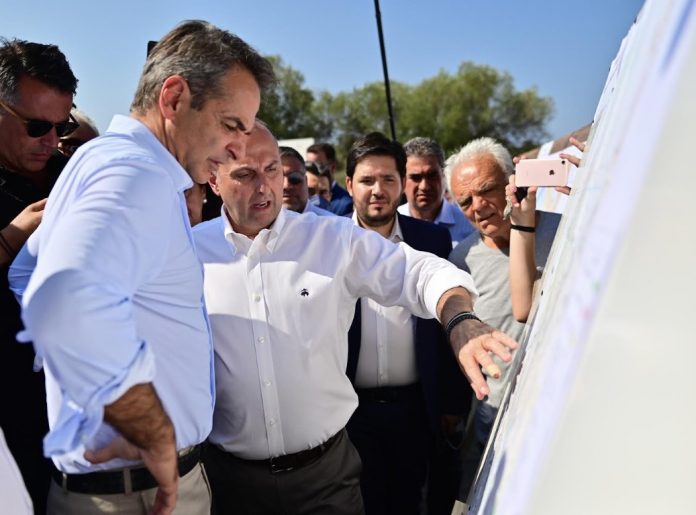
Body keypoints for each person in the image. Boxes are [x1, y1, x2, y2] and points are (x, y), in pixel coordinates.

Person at [12, 20, 274, 515]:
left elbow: (26, 275)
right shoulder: (135, 175)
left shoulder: (107, 161)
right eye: (231, 125)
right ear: (173, 98)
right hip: (135, 495)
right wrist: (145, 424)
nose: (240, 147)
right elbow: (63, 304)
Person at [194, 121, 517, 515]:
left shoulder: (332, 238)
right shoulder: (190, 254)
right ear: (213, 179)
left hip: (326, 481)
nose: (264, 186)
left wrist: (460, 319)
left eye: (273, 169)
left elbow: (420, 273)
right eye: (245, 174)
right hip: (231, 485)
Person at [344, 132, 471, 515]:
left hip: (416, 408)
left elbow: (442, 331)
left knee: (411, 502)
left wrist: (451, 402)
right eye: (367, 180)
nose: (377, 190)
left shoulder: (432, 240)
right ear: (349, 185)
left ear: (401, 184)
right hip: (351, 412)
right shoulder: (328, 242)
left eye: (388, 179)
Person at [445, 137, 560, 497]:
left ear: (511, 180)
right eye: (465, 201)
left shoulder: (566, 231)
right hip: (495, 419)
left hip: (562, 404)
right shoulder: (460, 262)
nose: (478, 207)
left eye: (486, 190)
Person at [0, 37, 77, 513]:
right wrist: (13, 237)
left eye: (61, 126)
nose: (51, 141)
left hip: (79, 421)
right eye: (36, 127)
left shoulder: (75, 175)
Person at [398, 137, 474, 246]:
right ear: (402, 181)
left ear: (444, 175)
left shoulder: (471, 224)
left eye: (432, 175)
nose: (424, 186)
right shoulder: (391, 224)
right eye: (416, 177)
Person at [279, 146, 331, 215]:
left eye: (295, 177)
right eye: (278, 179)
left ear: (306, 182)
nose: (286, 186)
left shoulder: (332, 221)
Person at [306, 141, 353, 215]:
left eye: (318, 165)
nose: (311, 168)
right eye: (307, 164)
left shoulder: (345, 204)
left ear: (333, 167)